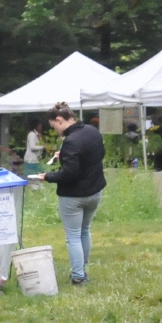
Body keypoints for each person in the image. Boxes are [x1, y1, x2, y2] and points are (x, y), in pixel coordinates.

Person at [35, 102, 105, 286]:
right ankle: (83, 268)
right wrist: (64, 155)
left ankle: (78, 276)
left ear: (59, 120)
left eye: (54, 126)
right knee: (85, 231)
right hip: (95, 191)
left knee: (73, 236)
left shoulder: (71, 141)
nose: (56, 131)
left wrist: (48, 176)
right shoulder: (92, 131)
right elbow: (95, 155)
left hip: (73, 196)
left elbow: (69, 173)